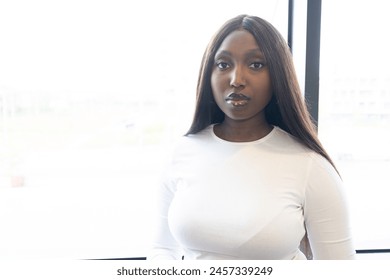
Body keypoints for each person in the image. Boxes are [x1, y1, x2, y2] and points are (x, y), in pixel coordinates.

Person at [148, 14, 356, 260]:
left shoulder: (310, 165)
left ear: (277, 75)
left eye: (256, 65)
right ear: (209, 73)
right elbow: (162, 250)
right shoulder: (182, 152)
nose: (237, 80)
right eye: (224, 65)